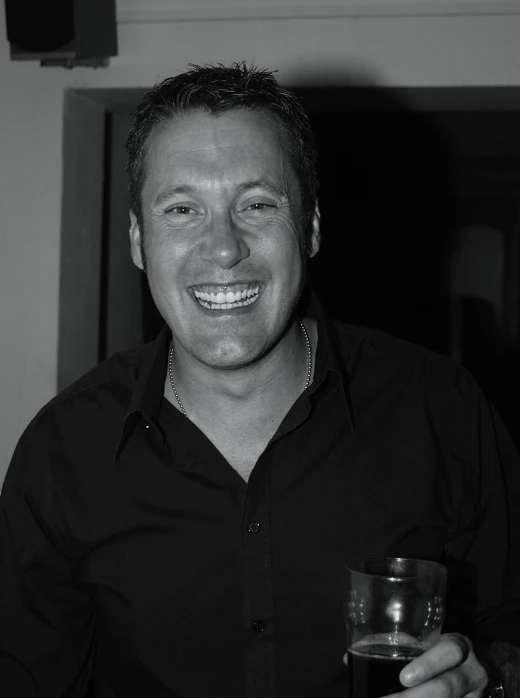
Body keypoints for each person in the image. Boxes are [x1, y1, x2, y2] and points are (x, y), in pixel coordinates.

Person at [1, 62, 519, 698]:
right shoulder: (62, 453)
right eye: (183, 208)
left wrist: (490, 677)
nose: (223, 247)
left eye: (257, 204)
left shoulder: (444, 410)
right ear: (139, 239)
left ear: (310, 228)